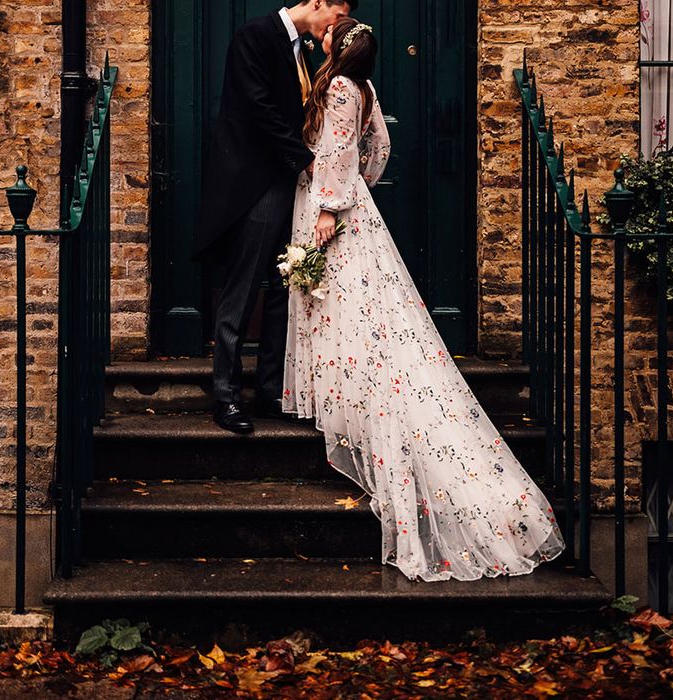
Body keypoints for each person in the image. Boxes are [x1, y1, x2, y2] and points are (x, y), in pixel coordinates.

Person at [282, 17, 567, 582]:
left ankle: (351, 403)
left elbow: (339, 150)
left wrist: (329, 209)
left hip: (330, 210)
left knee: (343, 307)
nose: (324, 36)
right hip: (355, 203)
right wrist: (361, 185)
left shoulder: (340, 87)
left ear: (339, 52)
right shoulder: (364, 88)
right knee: (369, 312)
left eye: (332, 36)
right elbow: (379, 148)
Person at [194, 1, 355, 434]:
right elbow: (258, 110)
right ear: (318, 1)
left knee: (286, 289)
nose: (335, 28)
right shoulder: (255, 37)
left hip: (290, 187)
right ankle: (225, 396)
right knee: (242, 289)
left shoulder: (300, 49)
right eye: (337, 17)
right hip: (258, 186)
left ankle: (269, 390)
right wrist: (307, 162)